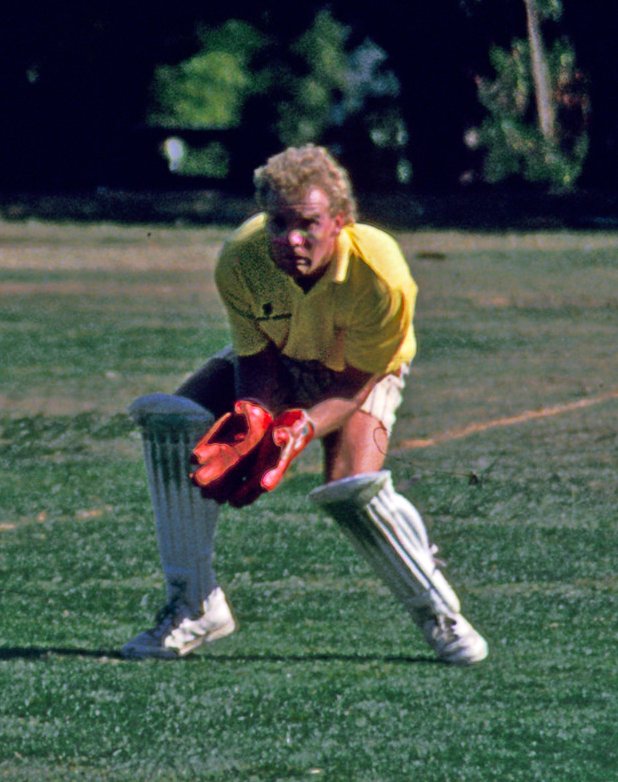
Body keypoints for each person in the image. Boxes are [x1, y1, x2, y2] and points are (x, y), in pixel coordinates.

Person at [123, 144, 488, 666]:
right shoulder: (242, 259)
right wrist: (254, 414)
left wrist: (298, 429)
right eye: (278, 224)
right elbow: (259, 356)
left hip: (358, 373)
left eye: (309, 225)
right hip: (287, 351)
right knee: (172, 426)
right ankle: (194, 606)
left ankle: (439, 612)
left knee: (350, 490)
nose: (291, 240)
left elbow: (353, 385)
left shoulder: (381, 276)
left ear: (339, 221)